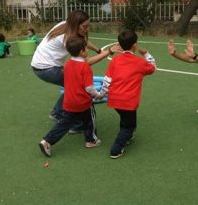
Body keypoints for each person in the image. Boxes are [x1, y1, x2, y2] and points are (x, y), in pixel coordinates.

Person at [31, 10, 119, 123]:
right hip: (46, 69)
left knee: (72, 85)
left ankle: (57, 113)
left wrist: (98, 50)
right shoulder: (68, 37)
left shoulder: (66, 25)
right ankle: (75, 123)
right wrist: (108, 52)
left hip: (39, 65)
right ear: (76, 25)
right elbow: (84, 63)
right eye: (85, 26)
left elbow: (83, 41)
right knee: (79, 86)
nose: (87, 29)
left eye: (88, 26)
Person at [38, 37, 102, 157]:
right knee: (90, 120)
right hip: (83, 103)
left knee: (63, 124)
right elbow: (89, 88)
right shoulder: (85, 67)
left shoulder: (67, 64)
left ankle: (47, 141)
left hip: (69, 102)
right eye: (86, 48)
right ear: (82, 52)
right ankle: (91, 140)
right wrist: (98, 95)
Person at [99, 30, 156, 159]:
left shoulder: (115, 61)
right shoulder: (140, 62)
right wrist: (146, 54)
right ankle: (116, 149)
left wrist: (102, 94)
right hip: (129, 101)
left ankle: (127, 136)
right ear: (135, 45)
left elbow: (107, 79)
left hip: (114, 99)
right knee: (128, 125)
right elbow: (153, 67)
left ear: (119, 45)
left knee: (126, 119)